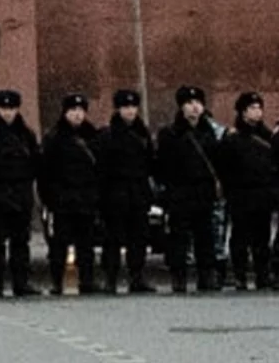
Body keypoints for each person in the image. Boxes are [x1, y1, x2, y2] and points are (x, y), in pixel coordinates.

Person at [158, 85, 223, 292]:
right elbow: (163, 165)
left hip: (204, 192)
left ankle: (207, 274)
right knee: (179, 236)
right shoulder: (170, 134)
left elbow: (219, 162)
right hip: (180, 192)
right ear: (181, 107)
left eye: (198, 103)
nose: (194, 108)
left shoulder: (210, 133)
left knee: (205, 235)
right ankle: (179, 276)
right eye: (189, 103)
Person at [0, 89, 41, 297]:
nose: (8, 113)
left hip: (21, 194)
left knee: (21, 242)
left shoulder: (27, 134)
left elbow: (36, 164)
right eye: (4, 108)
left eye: (11, 108)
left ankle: (20, 282)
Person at [40, 93, 103, 296]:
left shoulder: (93, 137)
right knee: (59, 244)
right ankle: (57, 282)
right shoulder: (54, 138)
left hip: (86, 198)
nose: (77, 115)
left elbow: (101, 169)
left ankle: (87, 280)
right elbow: (44, 172)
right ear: (65, 113)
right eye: (73, 111)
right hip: (63, 200)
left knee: (86, 244)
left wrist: (96, 196)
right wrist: (49, 199)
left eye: (80, 111)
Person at [98, 89, 157, 293]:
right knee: (113, 239)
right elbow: (102, 167)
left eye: (133, 107)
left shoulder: (143, 133)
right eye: (126, 107)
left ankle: (137, 276)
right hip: (115, 193)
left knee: (138, 238)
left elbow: (151, 162)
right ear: (118, 109)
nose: (130, 111)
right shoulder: (108, 135)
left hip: (138, 192)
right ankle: (110, 278)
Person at [218, 91, 276, 291]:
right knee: (240, 237)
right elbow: (224, 168)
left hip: (263, 194)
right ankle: (240, 274)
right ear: (243, 112)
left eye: (259, 108)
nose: (257, 112)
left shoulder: (268, 138)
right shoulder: (233, 139)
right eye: (252, 108)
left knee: (262, 236)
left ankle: (262, 274)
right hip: (241, 194)